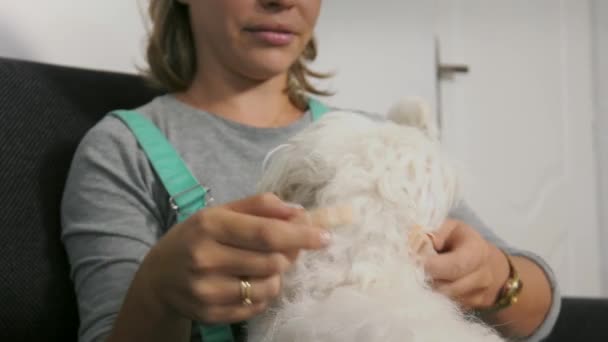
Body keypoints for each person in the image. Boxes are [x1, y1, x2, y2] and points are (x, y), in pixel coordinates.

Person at [60, 0, 561, 341]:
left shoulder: (377, 140)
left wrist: (498, 278)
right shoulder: (123, 149)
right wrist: (158, 289)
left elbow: (542, 311)